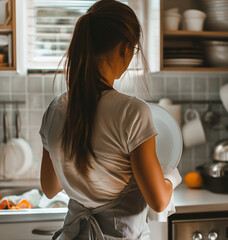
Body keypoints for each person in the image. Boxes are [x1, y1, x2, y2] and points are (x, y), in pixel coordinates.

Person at [38, 0, 182, 239]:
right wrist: (170, 177)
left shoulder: (54, 110)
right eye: (134, 49)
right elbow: (157, 201)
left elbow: (50, 188)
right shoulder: (132, 112)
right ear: (125, 48)